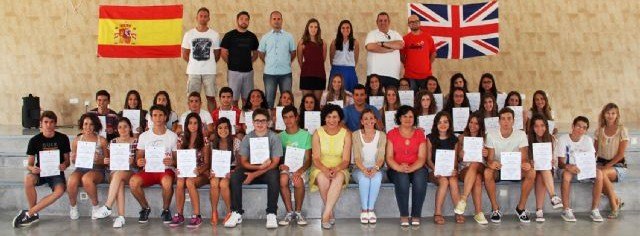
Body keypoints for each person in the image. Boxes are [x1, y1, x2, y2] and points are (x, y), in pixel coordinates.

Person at [225, 108, 283, 229]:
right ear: (252, 122)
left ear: (268, 122)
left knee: (274, 175)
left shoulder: (274, 137)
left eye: (263, 121)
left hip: (267, 171)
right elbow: (243, 162)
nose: (260, 124)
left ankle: (271, 213)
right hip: (252, 168)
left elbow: (275, 163)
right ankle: (236, 212)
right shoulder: (247, 138)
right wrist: (257, 167)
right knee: (235, 176)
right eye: (257, 121)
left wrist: (256, 174)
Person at [13, 111, 70, 228]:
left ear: (55, 124)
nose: (48, 125)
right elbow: (29, 164)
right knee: (28, 179)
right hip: (41, 172)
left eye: (51, 122)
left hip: (56, 172)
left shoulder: (63, 138)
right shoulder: (34, 140)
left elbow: (67, 161)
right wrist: (32, 168)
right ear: (41, 124)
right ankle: (32, 214)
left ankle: (30, 213)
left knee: (59, 191)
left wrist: (64, 165)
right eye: (46, 122)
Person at [128, 105, 179, 224]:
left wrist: (172, 162)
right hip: (149, 170)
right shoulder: (144, 136)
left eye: (161, 115)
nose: (158, 118)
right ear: (151, 118)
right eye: (155, 115)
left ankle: (166, 210)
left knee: (167, 182)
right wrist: (139, 161)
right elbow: (138, 157)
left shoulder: (172, 136)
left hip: (166, 170)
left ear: (166, 117)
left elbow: (177, 160)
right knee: (133, 182)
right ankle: (145, 208)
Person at [484, 107, 535, 223]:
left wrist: (526, 164)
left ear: (513, 120)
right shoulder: (491, 135)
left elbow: (524, 158)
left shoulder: (521, 134)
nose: (506, 122)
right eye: (503, 119)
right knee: (487, 172)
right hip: (499, 169)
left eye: (509, 119)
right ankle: (495, 208)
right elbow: (490, 160)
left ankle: (520, 208)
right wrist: (492, 164)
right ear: (499, 121)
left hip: (515, 169)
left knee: (531, 172)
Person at [309, 104, 352, 229]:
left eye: (335, 117)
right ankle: (329, 212)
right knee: (322, 178)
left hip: (340, 167)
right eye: (328, 117)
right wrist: (325, 169)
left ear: (339, 119)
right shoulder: (317, 133)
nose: (331, 120)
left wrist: (336, 169)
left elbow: (346, 160)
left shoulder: (346, 134)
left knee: (338, 177)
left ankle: (326, 215)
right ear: (324, 118)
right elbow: (315, 158)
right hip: (320, 167)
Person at [557, 116, 605, 222]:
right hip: (568, 168)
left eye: (584, 128)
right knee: (566, 175)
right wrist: (568, 167)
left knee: (599, 174)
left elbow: (591, 159)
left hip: (583, 168)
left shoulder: (587, 140)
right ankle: (566, 209)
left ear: (586, 130)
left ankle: (595, 209)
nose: (581, 129)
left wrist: (585, 168)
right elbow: (560, 163)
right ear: (573, 126)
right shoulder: (563, 139)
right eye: (578, 126)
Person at [386, 105, 428, 226]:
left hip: (416, 167)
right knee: (402, 177)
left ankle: (416, 215)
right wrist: (399, 167)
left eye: (411, 116)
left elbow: (421, 157)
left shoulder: (420, 134)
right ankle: (404, 215)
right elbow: (389, 157)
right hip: (396, 168)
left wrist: (411, 167)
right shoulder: (392, 133)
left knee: (420, 177)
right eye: (405, 116)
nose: (408, 119)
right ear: (399, 118)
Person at [93, 118, 139, 228]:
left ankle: (108, 206)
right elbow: (109, 162)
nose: (123, 129)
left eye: (125, 126)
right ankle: (121, 217)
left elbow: (139, 164)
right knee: (119, 180)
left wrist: (133, 162)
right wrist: (106, 161)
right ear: (116, 129)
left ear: (130, 128)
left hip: (131, 171)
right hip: (115, 172)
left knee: (119, 176)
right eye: (120, 127)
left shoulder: (136, 141)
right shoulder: (113, 142)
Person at [170, 113, 211, 228]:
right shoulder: (181, 139)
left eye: (195, 123)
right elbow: (179, 160)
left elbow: (207, 164)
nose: (192, 126)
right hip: (185, 172)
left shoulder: (204, 139)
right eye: (190, 123)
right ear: (186, 125)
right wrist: (178, 169)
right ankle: (179, 215)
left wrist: (199, 171)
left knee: (189, 182)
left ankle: (197, 215)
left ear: (199, 125)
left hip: (201, 172)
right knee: (180, 181)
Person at [67, 113, 108, 220]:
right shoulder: (77, 140)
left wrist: (99, 159)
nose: (88, 127)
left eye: (91, 124)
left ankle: (95, 207)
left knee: (86, 179)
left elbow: (107, 161)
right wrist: (73, 158)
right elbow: (74, 161)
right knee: (71, 180)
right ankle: (73, 207)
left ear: (95, 126)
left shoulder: (102, 140)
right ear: (82, 125)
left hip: (97, 169)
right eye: (85, 124)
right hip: (81, 168)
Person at [277, 105, 312, 226]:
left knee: (298, 181)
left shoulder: (306, 135)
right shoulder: (279, 137)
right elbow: (278, 159)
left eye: (291, 117)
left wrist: (300, 170)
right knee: (283, 179)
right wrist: (281, 165)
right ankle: (288, 212)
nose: (288, 120)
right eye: (285, 117)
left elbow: (308, 159)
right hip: (287, 168)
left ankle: (298, 212)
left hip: (301, 168)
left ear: (296, 117)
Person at [181, 7, 221, 111]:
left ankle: (213, 121)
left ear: (208, 18)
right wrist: (195, 63)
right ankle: (192, 120)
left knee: (211, 97)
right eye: (201, 16)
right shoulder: (188, 34)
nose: (203, 18)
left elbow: (217, 54)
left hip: (209, 71)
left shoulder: (215, 35)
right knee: (193, 98)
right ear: (197, 18)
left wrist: (208, 63)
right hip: (193, 71)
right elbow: (185, 54)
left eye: (205, 16)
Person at [426, 111, 462, 224]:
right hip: (434, 171)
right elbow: (427, 159)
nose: (443, 125)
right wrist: (436, 169)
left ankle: (458, 212)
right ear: (435, 124)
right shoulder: (430, 138)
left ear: (450, 124)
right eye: (440, 122)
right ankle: (437, 212)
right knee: (444, 181)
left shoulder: (454, 140)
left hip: (449, 171)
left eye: (445, 122)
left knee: (452, 180)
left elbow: (455, 161)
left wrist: (454, 170)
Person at [352, 108, 386, 224]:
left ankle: (370, 210)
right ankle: (364, 209)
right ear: (361, 121)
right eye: (365, 119)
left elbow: (381, 157)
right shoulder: (355, 135)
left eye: (371, 118)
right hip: (359, 169)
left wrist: (376, 168)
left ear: (375, 120)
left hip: (377, 168)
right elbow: (356, 157)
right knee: (364, 179)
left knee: (376, 178)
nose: (368, 121)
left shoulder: (382, 135)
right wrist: (364, 169)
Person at [454, 113, 489, 224]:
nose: (473, 125)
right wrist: (460, 155)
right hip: (465, 168)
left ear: (481, 126)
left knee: (474, 164)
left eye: (476, 123)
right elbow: (458, 159)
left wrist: (486, 153)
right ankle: (478, 213)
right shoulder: (461, 137)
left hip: (480, 165)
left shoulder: (486, 138)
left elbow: (490, 159)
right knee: (477, 178)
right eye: (471, 122)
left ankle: (463, 199)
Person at [594, 103, 627, 219]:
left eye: (613, 113)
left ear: (617, 115)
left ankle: (614, 207)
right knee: (598, 174)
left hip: (617, 166)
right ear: (604, 114)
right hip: (600, 164)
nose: (610, 115)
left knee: (601, 174)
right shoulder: (599, 131)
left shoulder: (622, 130)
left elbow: (621, 154)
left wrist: (607, 166)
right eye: (608, 113)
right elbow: (594, 151)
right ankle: (616, 200)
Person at [528, 114, 563, 222]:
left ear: (546, 126)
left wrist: (553, 161)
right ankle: (553, 196)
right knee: (539, 173)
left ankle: (539, 211)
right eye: (536, 126)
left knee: (542, 174)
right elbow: (524, 157)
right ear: (532, 128)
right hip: (532, 169)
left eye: (542, 125)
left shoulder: (551, 138)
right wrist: (530, 161)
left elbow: (556, 160)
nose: (539, 128)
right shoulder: (528, 139)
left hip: (547, 169)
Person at [220, 11, 259, 107]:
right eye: (241, 19)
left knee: (247, 99)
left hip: (248, 72)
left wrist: (249, 62)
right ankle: (236, 121)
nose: (244, 21)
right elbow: (223, 52)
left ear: (249, 21)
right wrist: (232, 63)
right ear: (237, 20)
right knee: (233, 99)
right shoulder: (229, 35)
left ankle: (245, 121)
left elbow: (255, 53)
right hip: (234, 72)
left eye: (246, 19)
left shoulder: (252, 36)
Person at [259, 11, 297, 108]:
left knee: (287, 99)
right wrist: (268, 62)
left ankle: (287, 121)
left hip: (286, 74)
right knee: (269, 99)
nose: (276, 21)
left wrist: (286, 62)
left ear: (282, 21)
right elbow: (261, 53)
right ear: (270, 21)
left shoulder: (289, 36)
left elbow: (293, 52)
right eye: (274, 19)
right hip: (269, 74)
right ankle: (270, 122)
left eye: (278, 19)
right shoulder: (265, 37)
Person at [208, 117, 240, 225]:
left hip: (231, 170)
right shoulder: (213, 143)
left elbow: (240, 163)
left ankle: (229, 211)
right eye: (220, 128)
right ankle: (214, 212)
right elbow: (210, 162)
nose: (223, 130)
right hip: (217, 170)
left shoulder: (236, 141)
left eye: (226, 128)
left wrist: (233, 172)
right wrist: (211, 171)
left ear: (230, 129)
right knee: (213, 182)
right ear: (216, 130)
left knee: (223, 184)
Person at [365, 12, 404, 88]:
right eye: (380, 20)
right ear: (377, 22)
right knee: (373, 99)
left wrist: (382, 43)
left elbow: (400, 45)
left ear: (389, 22)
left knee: (392, 99)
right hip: (375, 75)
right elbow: (370, 47)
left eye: (385, 20)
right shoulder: (372, 34)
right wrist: (389, 49)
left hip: (393, 74)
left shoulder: (396, 34)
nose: (383, 22)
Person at [401, 14, 436, 91]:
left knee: (426, 99)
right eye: (411, 22)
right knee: (410, 100)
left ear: (419, 23)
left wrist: (428, 64)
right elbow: (402, 56)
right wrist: (407, 65)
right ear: (408, 24)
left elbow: (433, 53)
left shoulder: (428, 37)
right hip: (410, 76)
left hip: (426, 75)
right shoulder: (405, 39)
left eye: (416, 21)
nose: (414, 23)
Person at [298, 18, 327, 100]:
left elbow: (322, 59)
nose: (313, 29)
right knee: (307, 103)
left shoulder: (323, 43)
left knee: (316, 104)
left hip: (319, 76)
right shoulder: (302, 42)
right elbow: (300, 60)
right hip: (306, 76)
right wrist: (307, 68)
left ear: (318, 29)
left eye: (316, 27)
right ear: (307, 28)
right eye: (311, 27)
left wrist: (315, 67)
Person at [330, 20, 359, 93]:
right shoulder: (334, 42)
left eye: (347, 28)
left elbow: (356, 58)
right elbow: (331, 57)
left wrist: (350, 68)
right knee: (335, 93)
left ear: (351, 29)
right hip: (336, 70)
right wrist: (335, 68)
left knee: (350, 94)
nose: (345, 29)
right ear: (340, 29)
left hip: (350, 71)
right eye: (343, 28)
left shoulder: (355, 42)